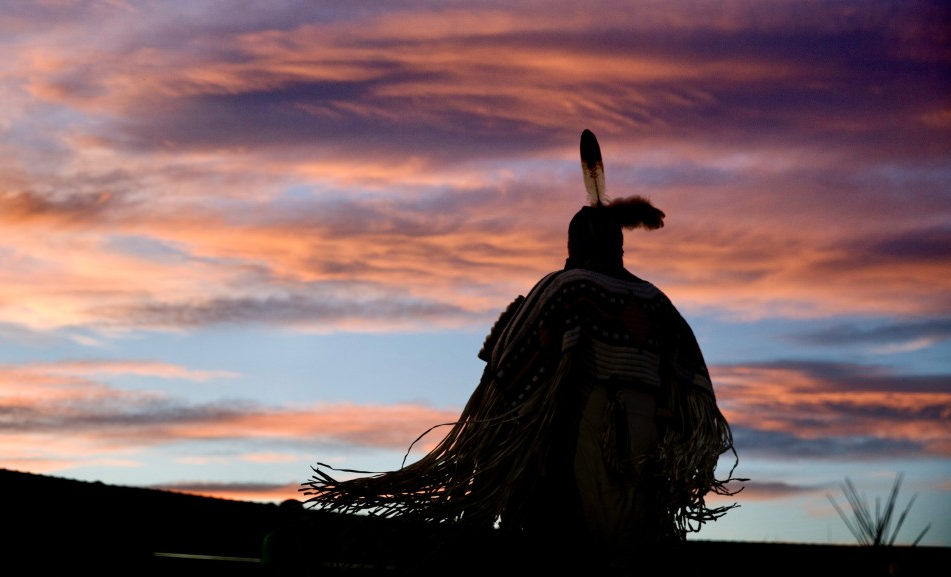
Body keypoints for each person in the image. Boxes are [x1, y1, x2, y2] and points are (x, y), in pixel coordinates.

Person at [303, 129, 742, 573]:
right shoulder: (656, 301)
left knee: (562, 534)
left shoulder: (564, 288)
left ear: (575, 243)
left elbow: (512, 366)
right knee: (627, 538)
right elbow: (690, 378)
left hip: (582, 426)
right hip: (645, 435)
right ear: (618, 241)